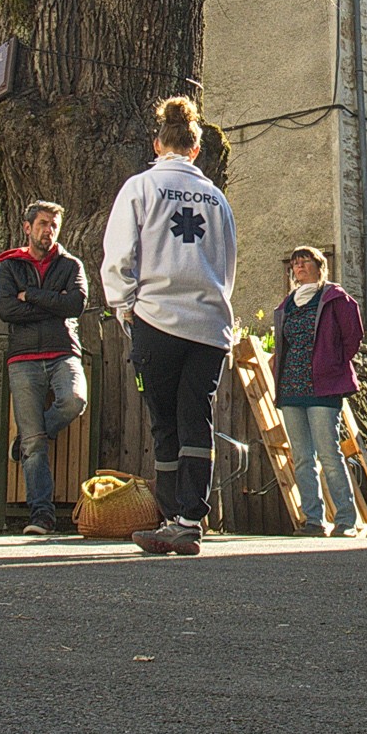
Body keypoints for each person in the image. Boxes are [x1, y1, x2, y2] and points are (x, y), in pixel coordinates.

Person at [101, 96, 237, 556]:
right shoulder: (217, 200)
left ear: (158, 143)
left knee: (164, 424)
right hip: (209, 323)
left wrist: (125, 307)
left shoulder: (141, 188)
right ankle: (190, 518)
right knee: (196, 416)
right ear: (197, 149)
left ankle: (168, 514)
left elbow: (119, 256)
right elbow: (227, 266)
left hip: (157, 319)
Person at [0, 200, 90, 536]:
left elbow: (75, 304)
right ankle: (41, 516)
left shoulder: (70, 265)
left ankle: (30, 436)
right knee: (34, 446)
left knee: (74, 401)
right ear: (28, 227)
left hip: (63, 352)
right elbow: (6, 310)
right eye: (43, 223)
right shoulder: (10, 266)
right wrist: (52, 304)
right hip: (23, 359)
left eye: (53, 225)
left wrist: (31, 295)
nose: (48, 230)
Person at [271, 246, 365, 536]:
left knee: (328, 453)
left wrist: (332, 364)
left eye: (305, 261)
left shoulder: (337, 299)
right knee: (301, 457)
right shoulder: (287, 305)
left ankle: (346, 521)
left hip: (324, 388)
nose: (299, 266)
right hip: (291, 388)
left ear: (319, 266)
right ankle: (314, 520)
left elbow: (353, 337)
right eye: (295, 263)